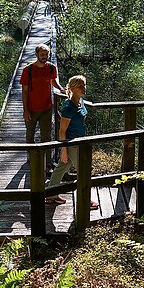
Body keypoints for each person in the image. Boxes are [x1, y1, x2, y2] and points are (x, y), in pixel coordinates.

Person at [46, 75, 98, 210]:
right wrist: (64, 150)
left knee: (61, 168)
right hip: (72, 144)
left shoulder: (80, 101)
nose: (84, 88)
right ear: (73, 88)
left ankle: (51, 194)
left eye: (84, 85)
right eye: (81, 86)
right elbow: (62, 131)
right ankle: (85, 200)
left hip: (79, 141)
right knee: (84, 170)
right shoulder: (69, 107)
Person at [20, 44, 65, 170]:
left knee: (46, 136)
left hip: (46, 108)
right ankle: (31, 158)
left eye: (46, 54)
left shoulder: (51, 68)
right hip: (31, 109)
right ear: (36, 55)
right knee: (30, 134)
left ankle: (47, 163)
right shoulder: (27, 70)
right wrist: (25, 110)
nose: (45, 57)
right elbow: (24, 91)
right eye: (42, 54)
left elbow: (52, 81)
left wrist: (61, 89)